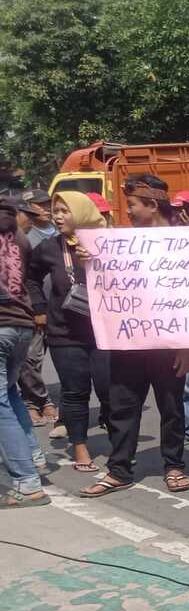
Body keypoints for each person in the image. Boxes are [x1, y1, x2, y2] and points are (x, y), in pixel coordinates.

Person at [81, 174, 189, 497]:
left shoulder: (184, 242)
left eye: (132, 204)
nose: (127, 211)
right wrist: (91, 261)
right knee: (122, 406)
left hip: (171, 344)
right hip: (128, 342)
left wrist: (188, 346)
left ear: (152, 204)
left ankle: (174, 465)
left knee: (172, 407)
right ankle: (119, 470)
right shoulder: (119, 244)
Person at [27, 192, 111, 474]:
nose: (57, 216)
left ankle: (119, 445)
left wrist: (98, 260)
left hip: (105, 332)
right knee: (75, 392)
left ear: (82, 212)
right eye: (55, 210)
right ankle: (80, 447)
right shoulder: (49, 247)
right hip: (64, 333)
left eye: (65, 210)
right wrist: (39, 307)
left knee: (110, 389)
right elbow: (31, 276)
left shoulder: (108, 243)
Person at [0, 195, 49, 508]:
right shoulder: (20, 238)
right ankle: (33, 455)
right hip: (21, 324)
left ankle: (27, 482)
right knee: (11, 392)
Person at [15, 189, 57, 429]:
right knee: (31, 358)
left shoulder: (60, 232)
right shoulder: (25, 236)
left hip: (61, 306)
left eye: (47, 203)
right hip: (33, 308)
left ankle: (38, 400)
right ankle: (36, 402)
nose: (45, 208)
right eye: (39, 205)